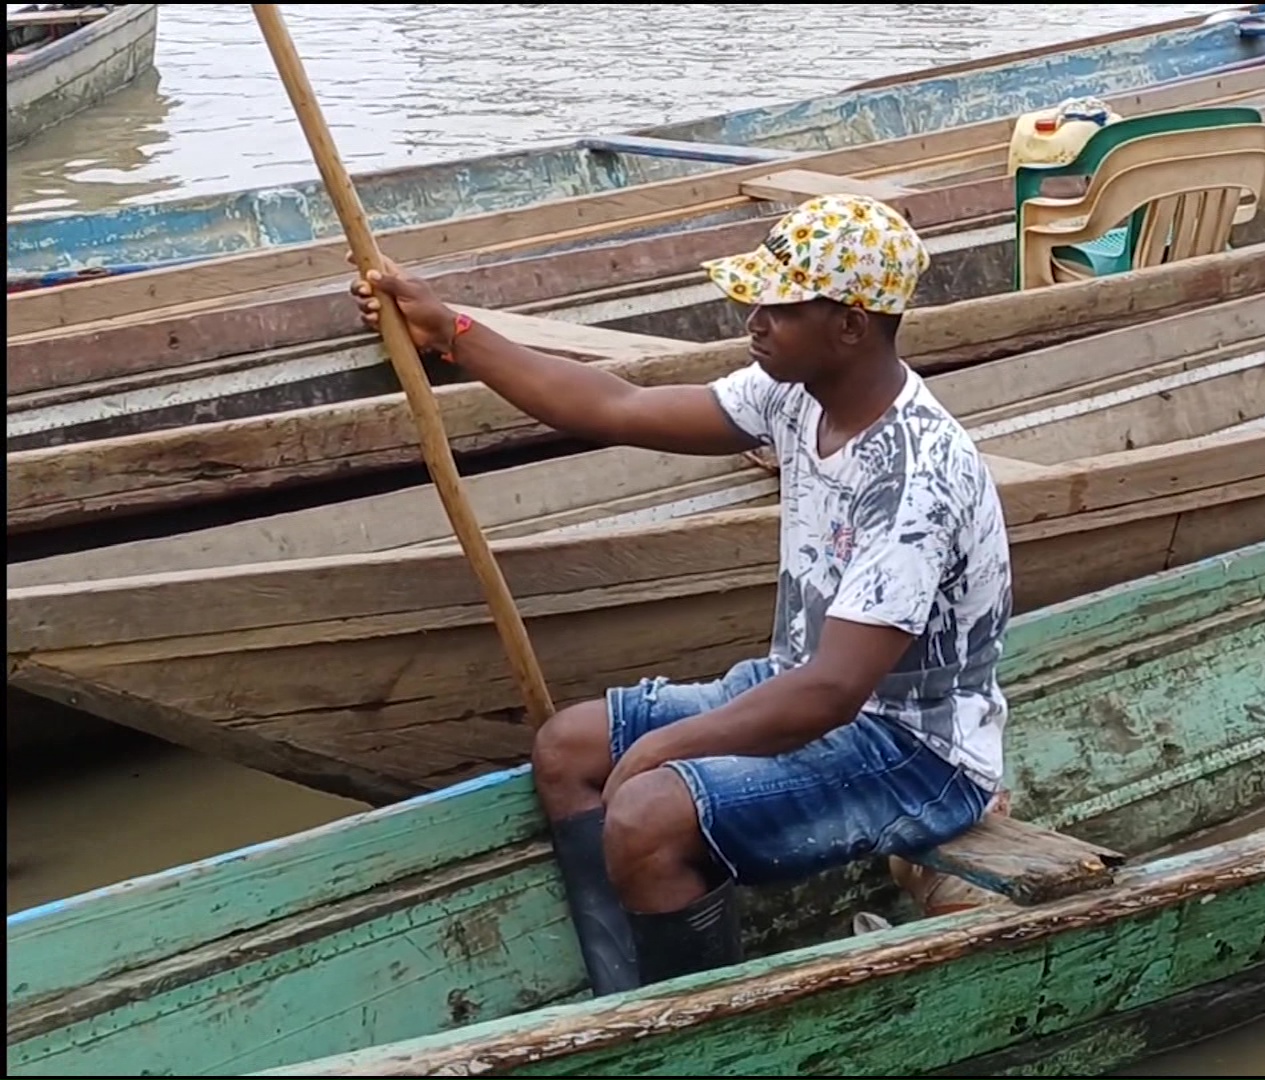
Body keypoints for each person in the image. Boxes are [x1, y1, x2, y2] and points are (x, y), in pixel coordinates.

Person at [349, 194, 1013, 996]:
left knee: (646, 814)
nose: (753, 320)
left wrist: (666, 750)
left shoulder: (915, 477)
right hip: (800, 688)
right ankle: (624, 997)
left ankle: (695, 1029)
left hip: (913, 754)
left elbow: (836, 691)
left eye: (778, 305)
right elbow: (614, 406)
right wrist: (451, 331)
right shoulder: (794, 398)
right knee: (569, 750)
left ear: (850, 325)